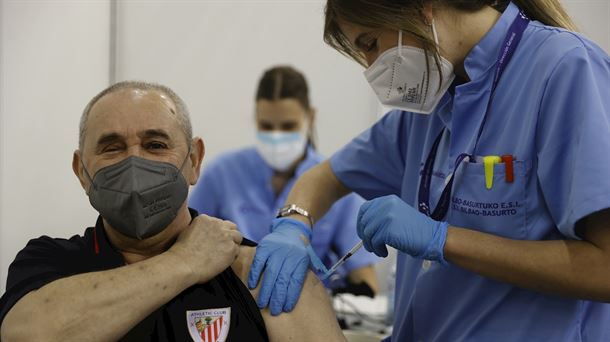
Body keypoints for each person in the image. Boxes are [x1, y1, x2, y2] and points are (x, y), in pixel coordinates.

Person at [247, 1, 610, 341]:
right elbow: (323, 178)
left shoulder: (565, 69)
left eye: (371, 44)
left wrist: (442, 240)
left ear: (421, 7)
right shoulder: (433, 103)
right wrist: (294, 224)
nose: (370, 67)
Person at [0, 81, 346, 342]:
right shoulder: (50, 262)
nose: (135, 163)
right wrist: (185, 262)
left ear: (194, 160)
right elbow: (26, 334)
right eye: (112, 147)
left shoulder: (263, 275)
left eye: (156, 145)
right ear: (81, 171)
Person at [189, 65, 379, 299]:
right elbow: (188, 248)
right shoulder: (222, 174)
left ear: (310, 117)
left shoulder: (335, 182)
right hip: (232, 303)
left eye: (288, 126)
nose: (276, 136)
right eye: (267, 127)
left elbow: (365, 280)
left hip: (306, 307)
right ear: (255, 119)